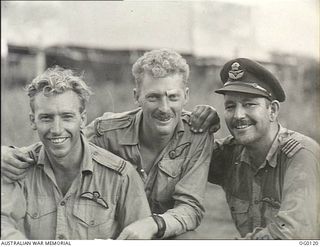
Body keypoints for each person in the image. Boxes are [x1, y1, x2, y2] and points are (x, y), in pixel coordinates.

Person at [1, 49, 219, 239]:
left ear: (186, 96)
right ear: (137, 96)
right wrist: (6, 154)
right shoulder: (107, 131)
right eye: (153, 97)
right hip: (116, 224)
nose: (164, 107)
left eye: (172, 97)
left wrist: (152, 224)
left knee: (187, 238)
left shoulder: (197, 135)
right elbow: (63, 140)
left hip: (165, 229)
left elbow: (190, 208)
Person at [1, 66, 151, 240]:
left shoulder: (121, 176)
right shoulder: (15, 167)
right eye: (46, 118)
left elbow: (141, 236)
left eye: (67, 117)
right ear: (32, 120)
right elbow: (3, 223)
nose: (56, 129)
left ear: (83, 119)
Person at [208, 58, 320, 239]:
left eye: (249, 104)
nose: (238, 115)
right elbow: (180, 158)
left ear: (273, 111)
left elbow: (294, 235)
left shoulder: (301, 154)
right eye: (230, 106)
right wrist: (195, 123)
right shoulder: (229, 153)